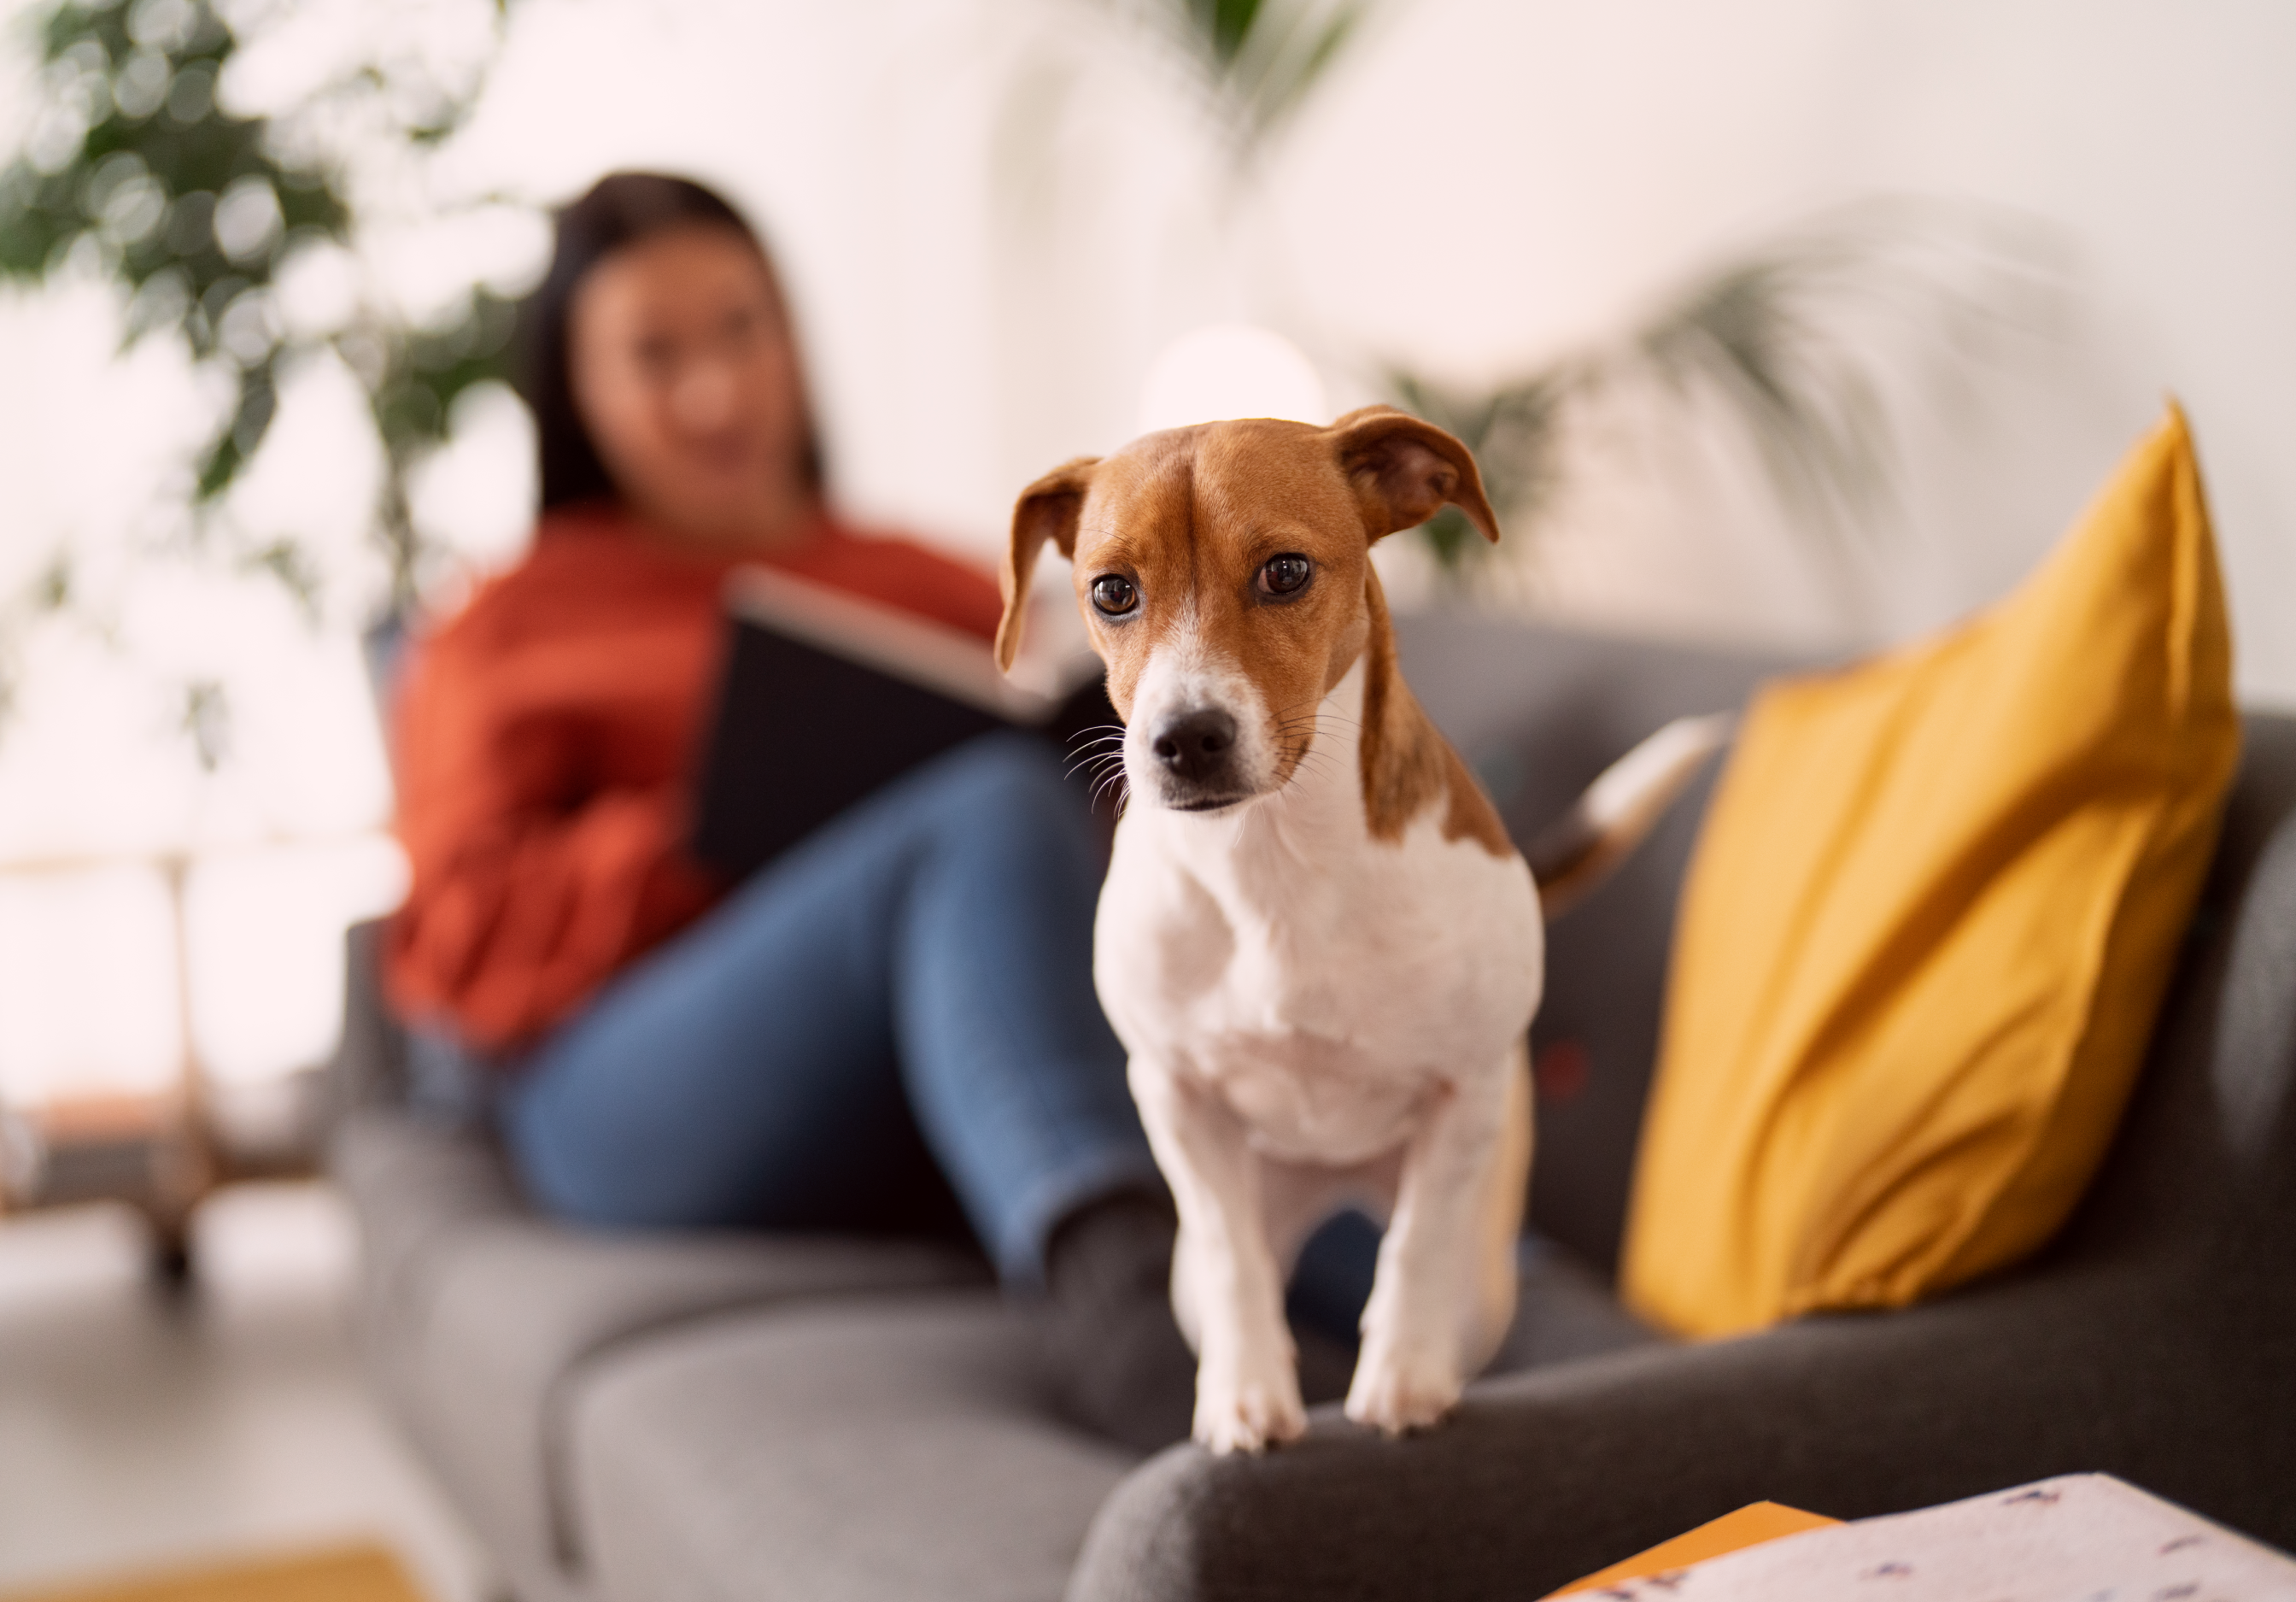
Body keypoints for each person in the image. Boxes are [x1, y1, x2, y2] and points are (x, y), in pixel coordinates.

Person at [384, 173, 1203, 1448]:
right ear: (581, 396)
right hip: (620, 1088)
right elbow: (458, 945)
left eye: (739, 331)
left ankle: (1502, 1306)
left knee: (1033, 822)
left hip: (922, 1059)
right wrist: (708, 832)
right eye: (654, 357)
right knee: (977, 811)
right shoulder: (502, 625)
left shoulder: (934, 584)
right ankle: (1124, 1313)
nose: (713, 391)